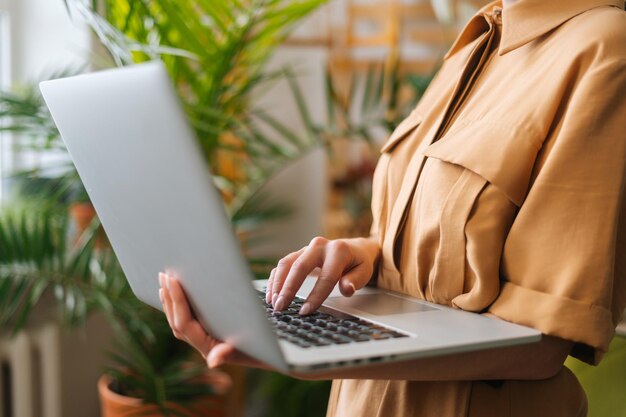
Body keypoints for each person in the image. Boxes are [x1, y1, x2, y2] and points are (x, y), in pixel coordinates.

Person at [158, 0, 626, 415]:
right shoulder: (483, 36)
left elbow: (540, 344)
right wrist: (371, 252)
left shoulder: (606, 47)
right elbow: (455, 232)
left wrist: (310, 354)